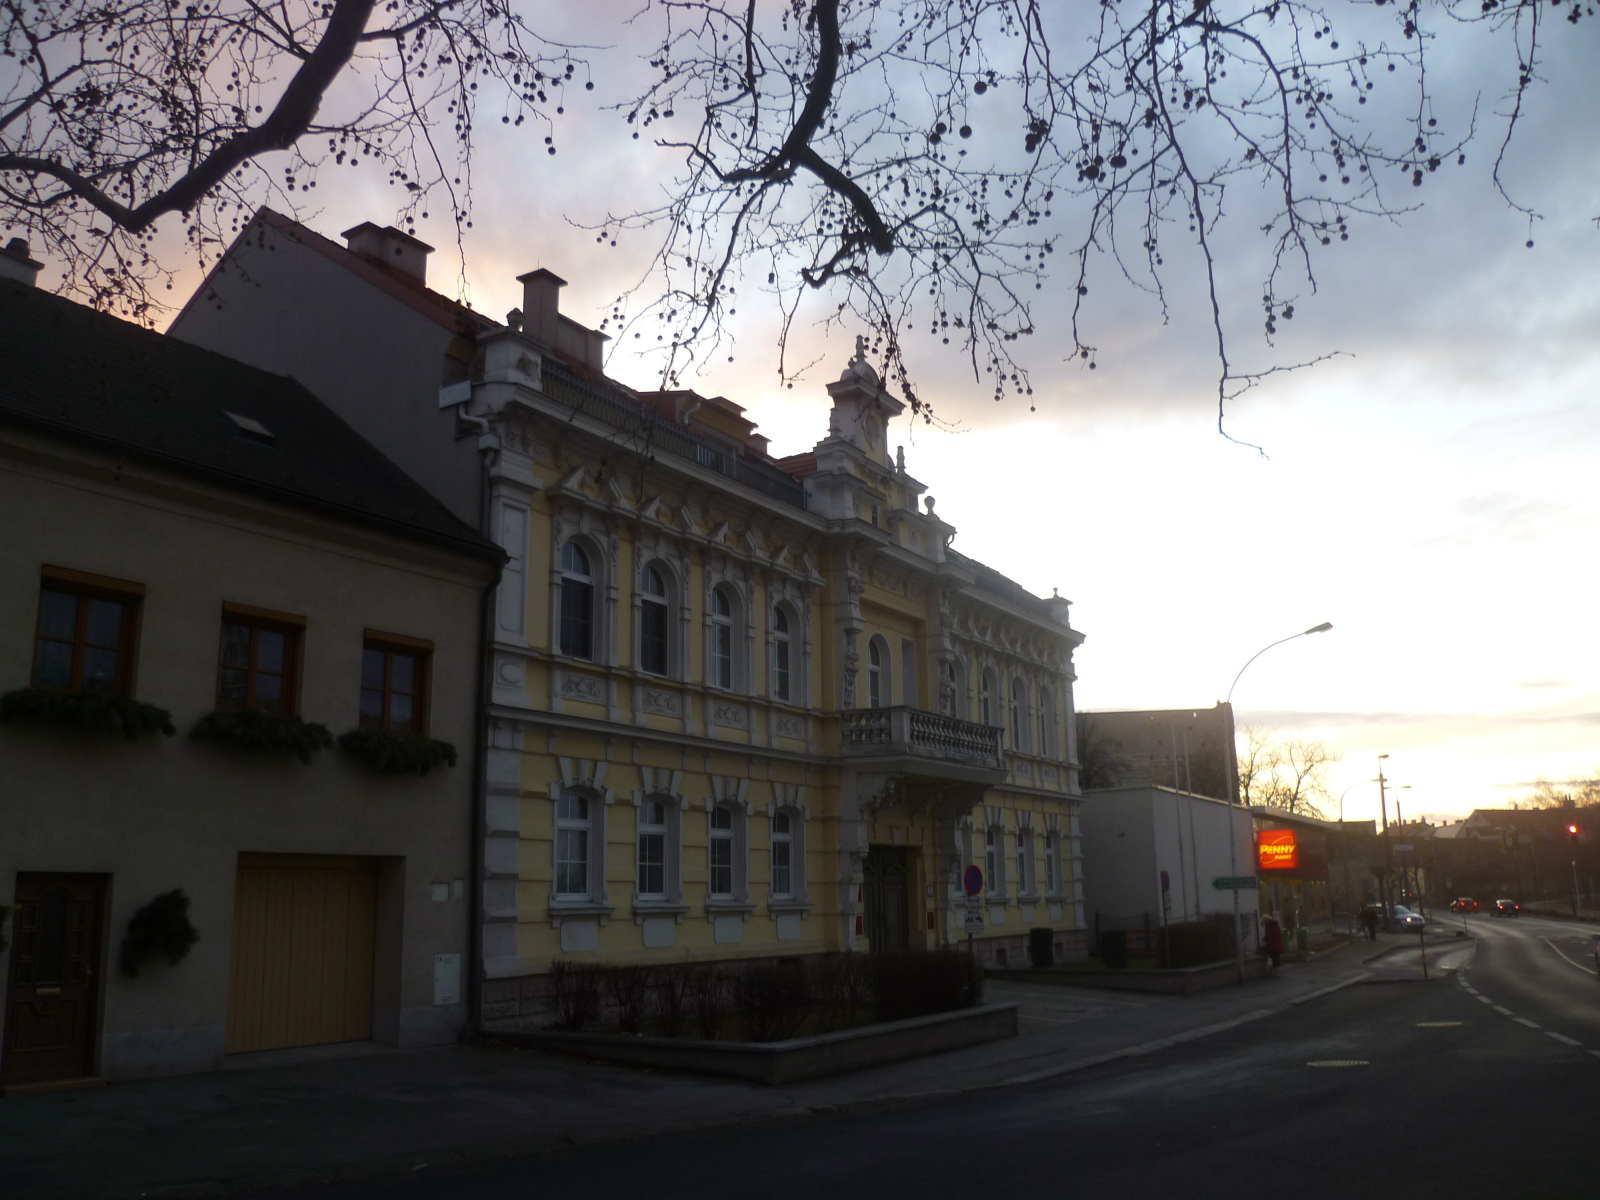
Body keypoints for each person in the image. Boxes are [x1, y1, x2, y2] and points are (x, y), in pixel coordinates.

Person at [1262, 911, 1284, 976]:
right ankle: (1277, 972)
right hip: (1278, 945)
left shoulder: (1268, 926)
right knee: (1277, 958)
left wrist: (1264, 939)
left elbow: (1268, 936)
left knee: (1273, 959)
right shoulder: (1276, 925)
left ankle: (1275, 973)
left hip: (1272, 946)